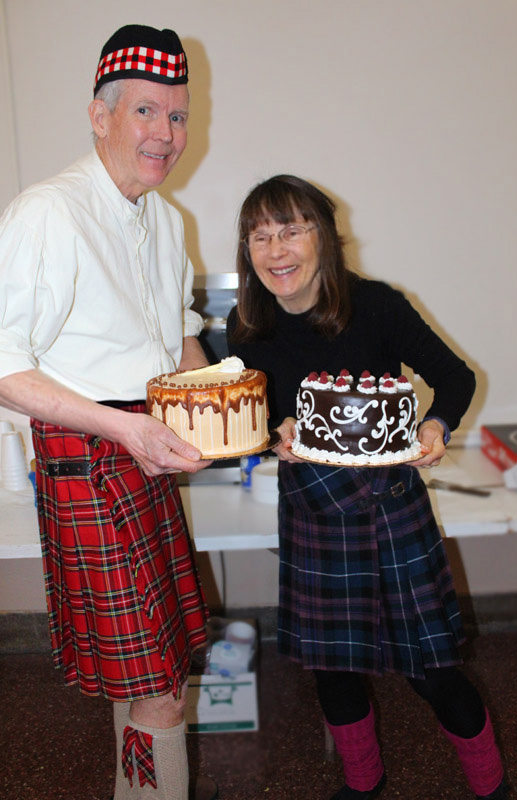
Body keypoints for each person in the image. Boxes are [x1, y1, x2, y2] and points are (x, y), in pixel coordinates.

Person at [227, 174, 508, 800]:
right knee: (332, 671)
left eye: (291, 231)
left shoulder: (376, 305)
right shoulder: (245, 327)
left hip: (391, 511)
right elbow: (253, 417)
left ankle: (492, 786)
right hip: (313, 513)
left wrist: (435, 425)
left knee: (434, 672)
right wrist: (271, 432)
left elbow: (455, 377)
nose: (276, 251)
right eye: (260, 237)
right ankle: (363, 783)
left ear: (323, 236)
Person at [0, 24, 218, 800]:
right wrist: (125, 427)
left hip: (144, 447)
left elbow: (180, 336)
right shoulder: (48, 211)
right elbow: (3, 364)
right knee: (160, 686)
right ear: (100, 116)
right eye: (145, 111)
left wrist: (229, 408)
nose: (165, 133)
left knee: (149, 673)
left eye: (178, 116)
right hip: (88, 456)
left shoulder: (167, 220)